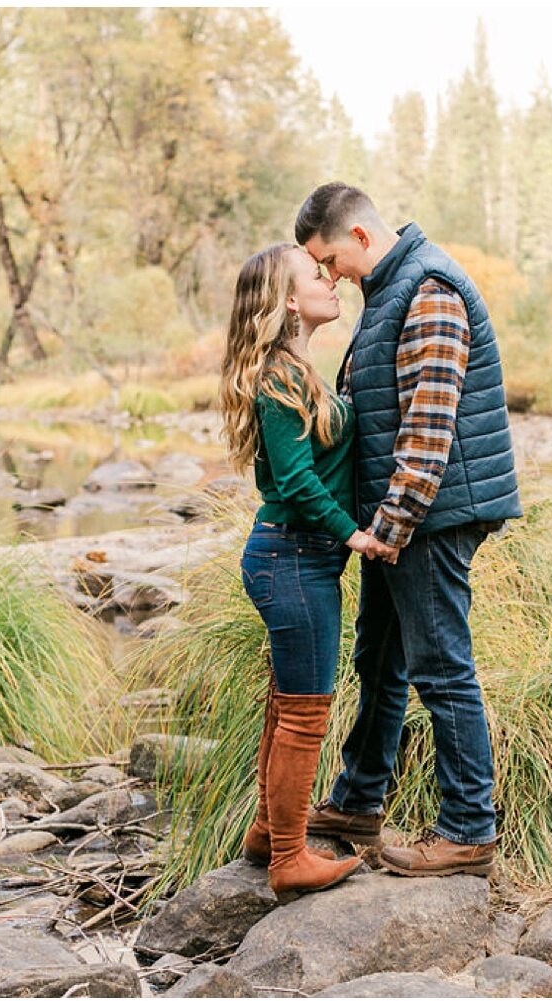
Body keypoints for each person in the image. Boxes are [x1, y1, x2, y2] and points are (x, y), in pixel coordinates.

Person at [295, 183, 523, 878]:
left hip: (430, 517)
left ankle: (468, 830)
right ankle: (358, 801)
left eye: (329, 259)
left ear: (361, 237)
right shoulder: (390, 289)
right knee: (379, 658)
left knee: (440, 666)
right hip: (399, 517)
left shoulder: (428, 289)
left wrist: (391, 526)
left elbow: (429, 427)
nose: (329, 275)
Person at [219, 243, 397, 899]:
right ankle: (290, 859)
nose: (331, 281)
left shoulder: (297, 370)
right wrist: (354, 534)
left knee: (286, 702)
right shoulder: (279, 378)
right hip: (293, 558)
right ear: (289, 301)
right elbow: (294, 480)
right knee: (304, 714)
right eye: (316, 275)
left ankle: (269, 831)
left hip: (296, 559)